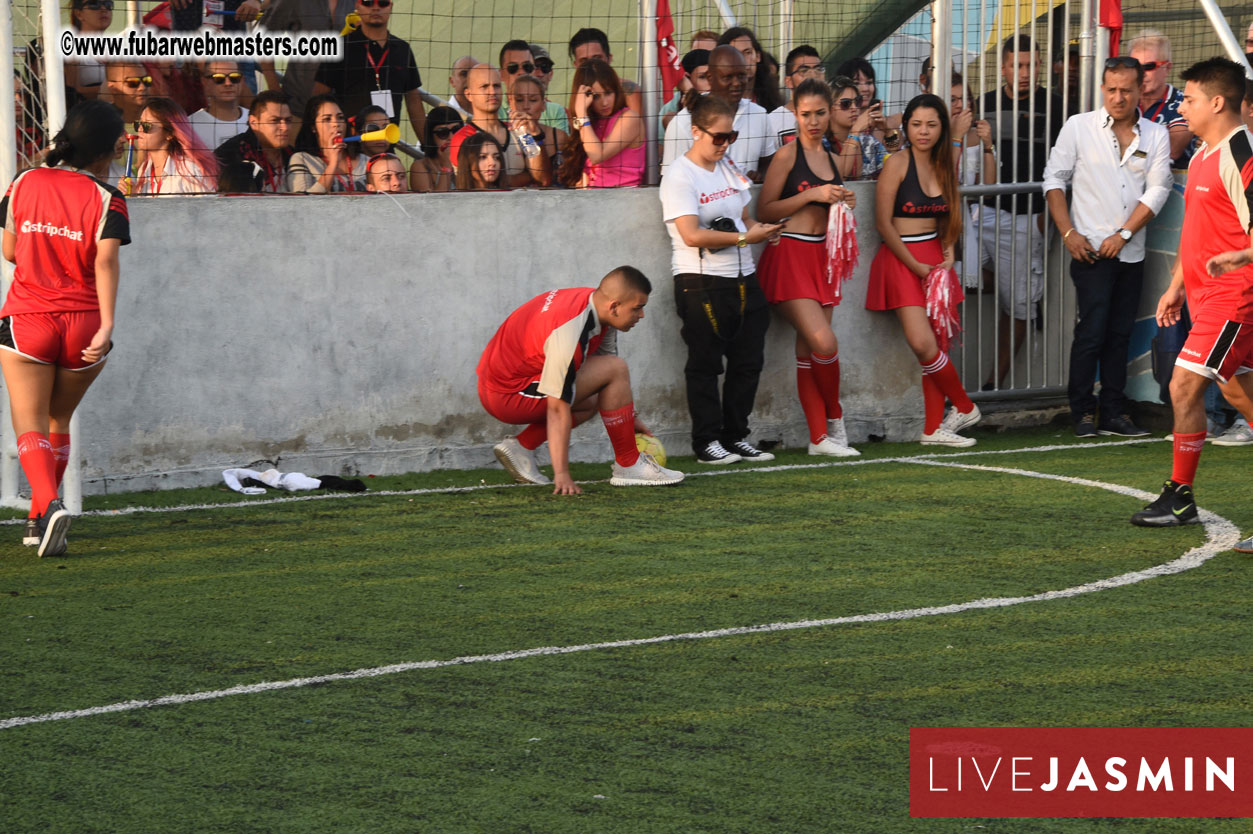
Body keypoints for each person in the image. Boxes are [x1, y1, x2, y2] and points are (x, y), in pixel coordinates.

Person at [0, 100, 130, 556]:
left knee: (29, 420)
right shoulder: (107, 197)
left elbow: (10, 252)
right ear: (112, 147)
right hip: (85, 325)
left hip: (29, 319)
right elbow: (106, 259)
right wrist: (107, 326)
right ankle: (38, 523)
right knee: (59, 418)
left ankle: (45, 504)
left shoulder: (24, 181)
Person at [1132, 58, 1253, 528]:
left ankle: (1179, 497)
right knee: (1239, 392)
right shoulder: (1204, 152)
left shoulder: (1240, 155)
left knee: (1182, 385)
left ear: (1218, 102)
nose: (1182, 107)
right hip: (1206, 299)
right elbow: (1197, 233)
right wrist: (1176, 286)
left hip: (1234, 299)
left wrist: (1240, 259)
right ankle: (1179, 498)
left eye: (1191, 99)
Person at [1043, 57, 1172, 439]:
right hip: (1089, 252)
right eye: (1112, 89)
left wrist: (1126, 235)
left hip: (1130, 252)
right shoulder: (1078, 127)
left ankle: (1115, 412)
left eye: (1126, 90)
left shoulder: (1155, 134)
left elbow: (1159, 189)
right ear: (1102, 88)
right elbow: (1054, 179)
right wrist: (1068, 234)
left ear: (1139, 90)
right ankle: (1082, 412)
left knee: (1120, 334)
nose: (1118, 97)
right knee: (1092, 332)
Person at [478, 267, 684, 493]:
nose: (642, 315)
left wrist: (629, 418)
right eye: (637, 308)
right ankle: (629, 465)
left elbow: (606, 374)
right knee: (614, 370)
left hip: (508, 380)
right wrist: (562, 474)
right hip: (506, 394)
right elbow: (557, 409)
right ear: (614, 306)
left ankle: (522, 447)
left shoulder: (598, 306)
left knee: (598, 392)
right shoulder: (569, 332)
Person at [660, 94, 785, 464]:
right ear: (695, 131)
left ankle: (736, 435)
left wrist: (760, 229)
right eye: (718, 136)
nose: (725, 143)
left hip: (744, 275)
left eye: (730, 135)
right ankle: (706, 441)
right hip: (701, 279)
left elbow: (742, 216)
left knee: (748, 361)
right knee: (706, 363)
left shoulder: (727, 165)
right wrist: (748, 237)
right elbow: (692, 235)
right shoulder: (679, 175)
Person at [867, 94, 981, 447]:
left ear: (941, 128)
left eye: (932, 124)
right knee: (922, 342)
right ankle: (963, 405)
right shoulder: (897, 164)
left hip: (935, 256)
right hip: (902, 258)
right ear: (906, 126)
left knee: (938, 344)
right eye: (916, 124)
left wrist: (947, 251)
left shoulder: (945, 163)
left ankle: (933, 429)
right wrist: (915, 264)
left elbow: (949, 213)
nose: (923, 131)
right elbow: (883, 224)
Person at [756, 78, 861, 457]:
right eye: (805, 114)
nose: (813, 121)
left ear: (830, 111)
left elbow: (833, 207)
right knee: (824, 342)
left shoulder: (833, 159)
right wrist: (811, 194)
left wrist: (844, 200)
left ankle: (819, 439)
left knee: (808, 351)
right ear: (794, 114)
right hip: (790, 257)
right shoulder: (788, 154)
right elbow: (764, 210)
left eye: (820, 113)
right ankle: (835, 418)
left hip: (822, 258)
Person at [974, 35, 1063, 390]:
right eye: (1018, 66)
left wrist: (1046, 216)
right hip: (984, 213)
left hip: (1030, 217)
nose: (1025, 73)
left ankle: (993, 387)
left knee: (1019, 303)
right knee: (961, 275)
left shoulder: (1056, 106)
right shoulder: (985, 104)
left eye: (1032, 65)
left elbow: (1065, 165)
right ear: (1005, 68)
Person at [312, 0, 426, 141]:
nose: (375, 8)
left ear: (391, 6)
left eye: (383, 3)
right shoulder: (340, 47)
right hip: (349, 145)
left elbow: (413, 101)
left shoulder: (403, 49)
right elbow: (318, 100)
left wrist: (428, 148)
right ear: (357, 6)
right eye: (368, 2)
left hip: (387, 143)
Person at [661, 45, 777, 181]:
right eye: (728, 77)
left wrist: (758, 177)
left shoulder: (759, 115)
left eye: (741, 76)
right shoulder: (681, 123)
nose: (736, 83)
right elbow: (671, 181)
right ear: (710, 78)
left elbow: (768, 162)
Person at [448, 64, 552, 188]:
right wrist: (527, 176)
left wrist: (536, 137)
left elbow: (543, 179)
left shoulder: (519, 131)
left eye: (496, 86)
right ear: (469, 94)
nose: (492, 92)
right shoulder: (462, 138)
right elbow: (479, 185)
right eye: (484, 87)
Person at [560, 60, 644, 188]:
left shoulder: (629, 118)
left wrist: (581, 114)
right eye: (596, 97)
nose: (604, 103)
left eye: (608, 93)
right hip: (594, 198)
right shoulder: (591, 122)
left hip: (625, 198)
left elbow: (597, 155)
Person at [1127, 29, 1195, 167]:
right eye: (1136, 66)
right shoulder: (1124, 100)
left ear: (1167, 68)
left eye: (1149, 66)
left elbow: (1170, 152)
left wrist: (1124, 149)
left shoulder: (1184, 103)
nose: (1141, 74)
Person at [129, 97, 220, 195]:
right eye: (138, 124)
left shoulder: (190, 169)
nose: (140, 129)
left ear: (170, 134)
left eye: (147, 125)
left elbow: (209, 208)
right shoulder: (144, 169)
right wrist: (134, 196)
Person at [214, 90, 295, 193]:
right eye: (275, 120)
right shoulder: (229, 155)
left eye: (288, 120)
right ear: (253, 122)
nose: (284, 127)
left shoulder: (294, 155)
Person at [287, 95, 368, 192]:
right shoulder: (302, 159)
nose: (336, 124)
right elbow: (303, 203)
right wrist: (333, 164)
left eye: (340, 118)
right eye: (327, 119)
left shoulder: (366, 161)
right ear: (313, 127)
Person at [568, 28, 643, 116]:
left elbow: (635, 128)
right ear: (576, 65)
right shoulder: (579, 96)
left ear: (609, 58)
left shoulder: (628, 91)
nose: (592, 65)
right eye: (584, 61)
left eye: (597, 58)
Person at [835, 58, 901, 153]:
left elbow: (893, 157)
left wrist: (888, 132)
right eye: (857, 83)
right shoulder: (840, 125)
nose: (865, 88)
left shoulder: (885, 123)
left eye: (869, 82)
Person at [766, 44, 826, 146]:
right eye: (803, 71)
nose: (813, 75)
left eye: (818, 69)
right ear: (788, 81)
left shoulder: (832, 115)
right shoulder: (772, 121)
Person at [717, 26, 783, 112]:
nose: (743, 60)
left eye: (747, 53)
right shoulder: (715, 105)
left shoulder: (773, 104)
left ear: (758, 56)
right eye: (735, 54)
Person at [509, 75, 566, 173]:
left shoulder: (558, 136)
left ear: (543, 105)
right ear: (510, 102)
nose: (526, 106)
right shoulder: (504, 135)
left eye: (533, 100)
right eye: (519, 100)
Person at [411, 105, 463, 192]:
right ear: (431, 137)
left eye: (456, 130)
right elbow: (435, 203)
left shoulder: (469, 161)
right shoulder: (421, 167)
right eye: (443, 133)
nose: (451, 137)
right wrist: (446, 166)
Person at [522, 43, 570, 132]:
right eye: (534, 67)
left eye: (545, 68)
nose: (540, 74)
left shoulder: (559, 112)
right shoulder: (500, 109)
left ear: (551, 74)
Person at [661, 48, 712, 130]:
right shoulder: (672, 117)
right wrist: (689, 91)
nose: (710, 83)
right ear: (687, 78)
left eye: (713, 76)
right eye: (702, 77)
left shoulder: (728, 108)